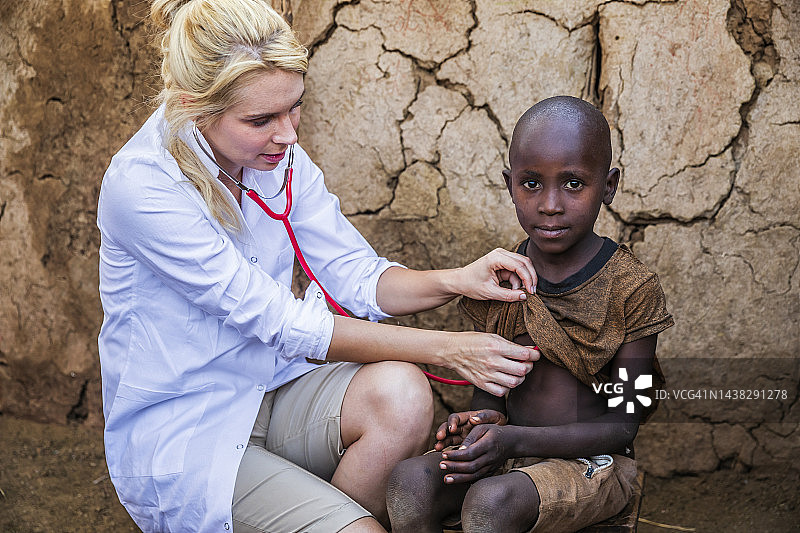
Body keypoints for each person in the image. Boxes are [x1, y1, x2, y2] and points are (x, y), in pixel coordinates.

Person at [96, 1, 542, 532]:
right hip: (191, 430)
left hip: (273, 387)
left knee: (400, 395)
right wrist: (448, 348)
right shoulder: (143, 187)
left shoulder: (275, 158)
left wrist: (455, 281)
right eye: (261, 119)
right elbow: (284, 323)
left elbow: (353, 272)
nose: (288, 135)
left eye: (294, 107)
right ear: (196, 107)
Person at [386, 96, 675, 533]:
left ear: (609, 185)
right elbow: (491, 397)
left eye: (574, 184)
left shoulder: (630, 288)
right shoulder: (500, 278)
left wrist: (513, 440)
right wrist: (482, 423)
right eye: (531, 184)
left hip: (592, 463)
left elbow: (623, 426)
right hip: (510, 452)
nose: (550, 204)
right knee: (409, 483)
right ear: (510, 184)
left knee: (492, 502)